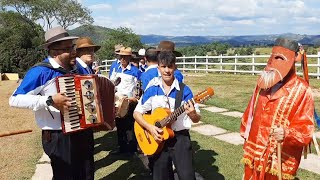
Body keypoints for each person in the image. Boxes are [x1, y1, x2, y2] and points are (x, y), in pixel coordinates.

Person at [9, 27, 95, 179]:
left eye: (73, 46)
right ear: (55, 52)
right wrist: (49, 100)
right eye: (68, 48)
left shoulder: (79, 68)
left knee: (86, 174)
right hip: (58, 136)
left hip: (83, 131)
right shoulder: (41, 72)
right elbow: (15, 99)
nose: (74, 51)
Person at [240, 38, 314, 180]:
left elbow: (305, 129)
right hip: (254, 152)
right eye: (273, 57)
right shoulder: (263, 83)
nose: (274, 62)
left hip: (279, 157)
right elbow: (250, 113)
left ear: (294, 60)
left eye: (281, 58)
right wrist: (246, 132)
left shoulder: (302, 89)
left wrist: (287, 133)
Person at [134, 51, 201, 180]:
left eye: (170, 66)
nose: (167, 70)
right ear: (158, 67)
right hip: (157, 138)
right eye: (163, 66)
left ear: (175, 67)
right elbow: (137, 113)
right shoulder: (152, 88)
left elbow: (197, 118)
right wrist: (150, 128)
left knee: (187, 176)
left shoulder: (184, 90)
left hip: (180, 139)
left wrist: (192, 114)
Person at [109, 47, 141, 155]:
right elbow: (110, 82)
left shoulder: (135, 71)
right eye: (121, 57)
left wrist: (134, 98)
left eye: (125, 57)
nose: (122, 59)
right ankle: (122, 146)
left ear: (129, 58)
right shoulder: (115, 68)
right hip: (117, 100)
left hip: (129, 101)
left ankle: (131, 148)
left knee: (129, 125)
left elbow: (138, 87)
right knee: (119, 124)